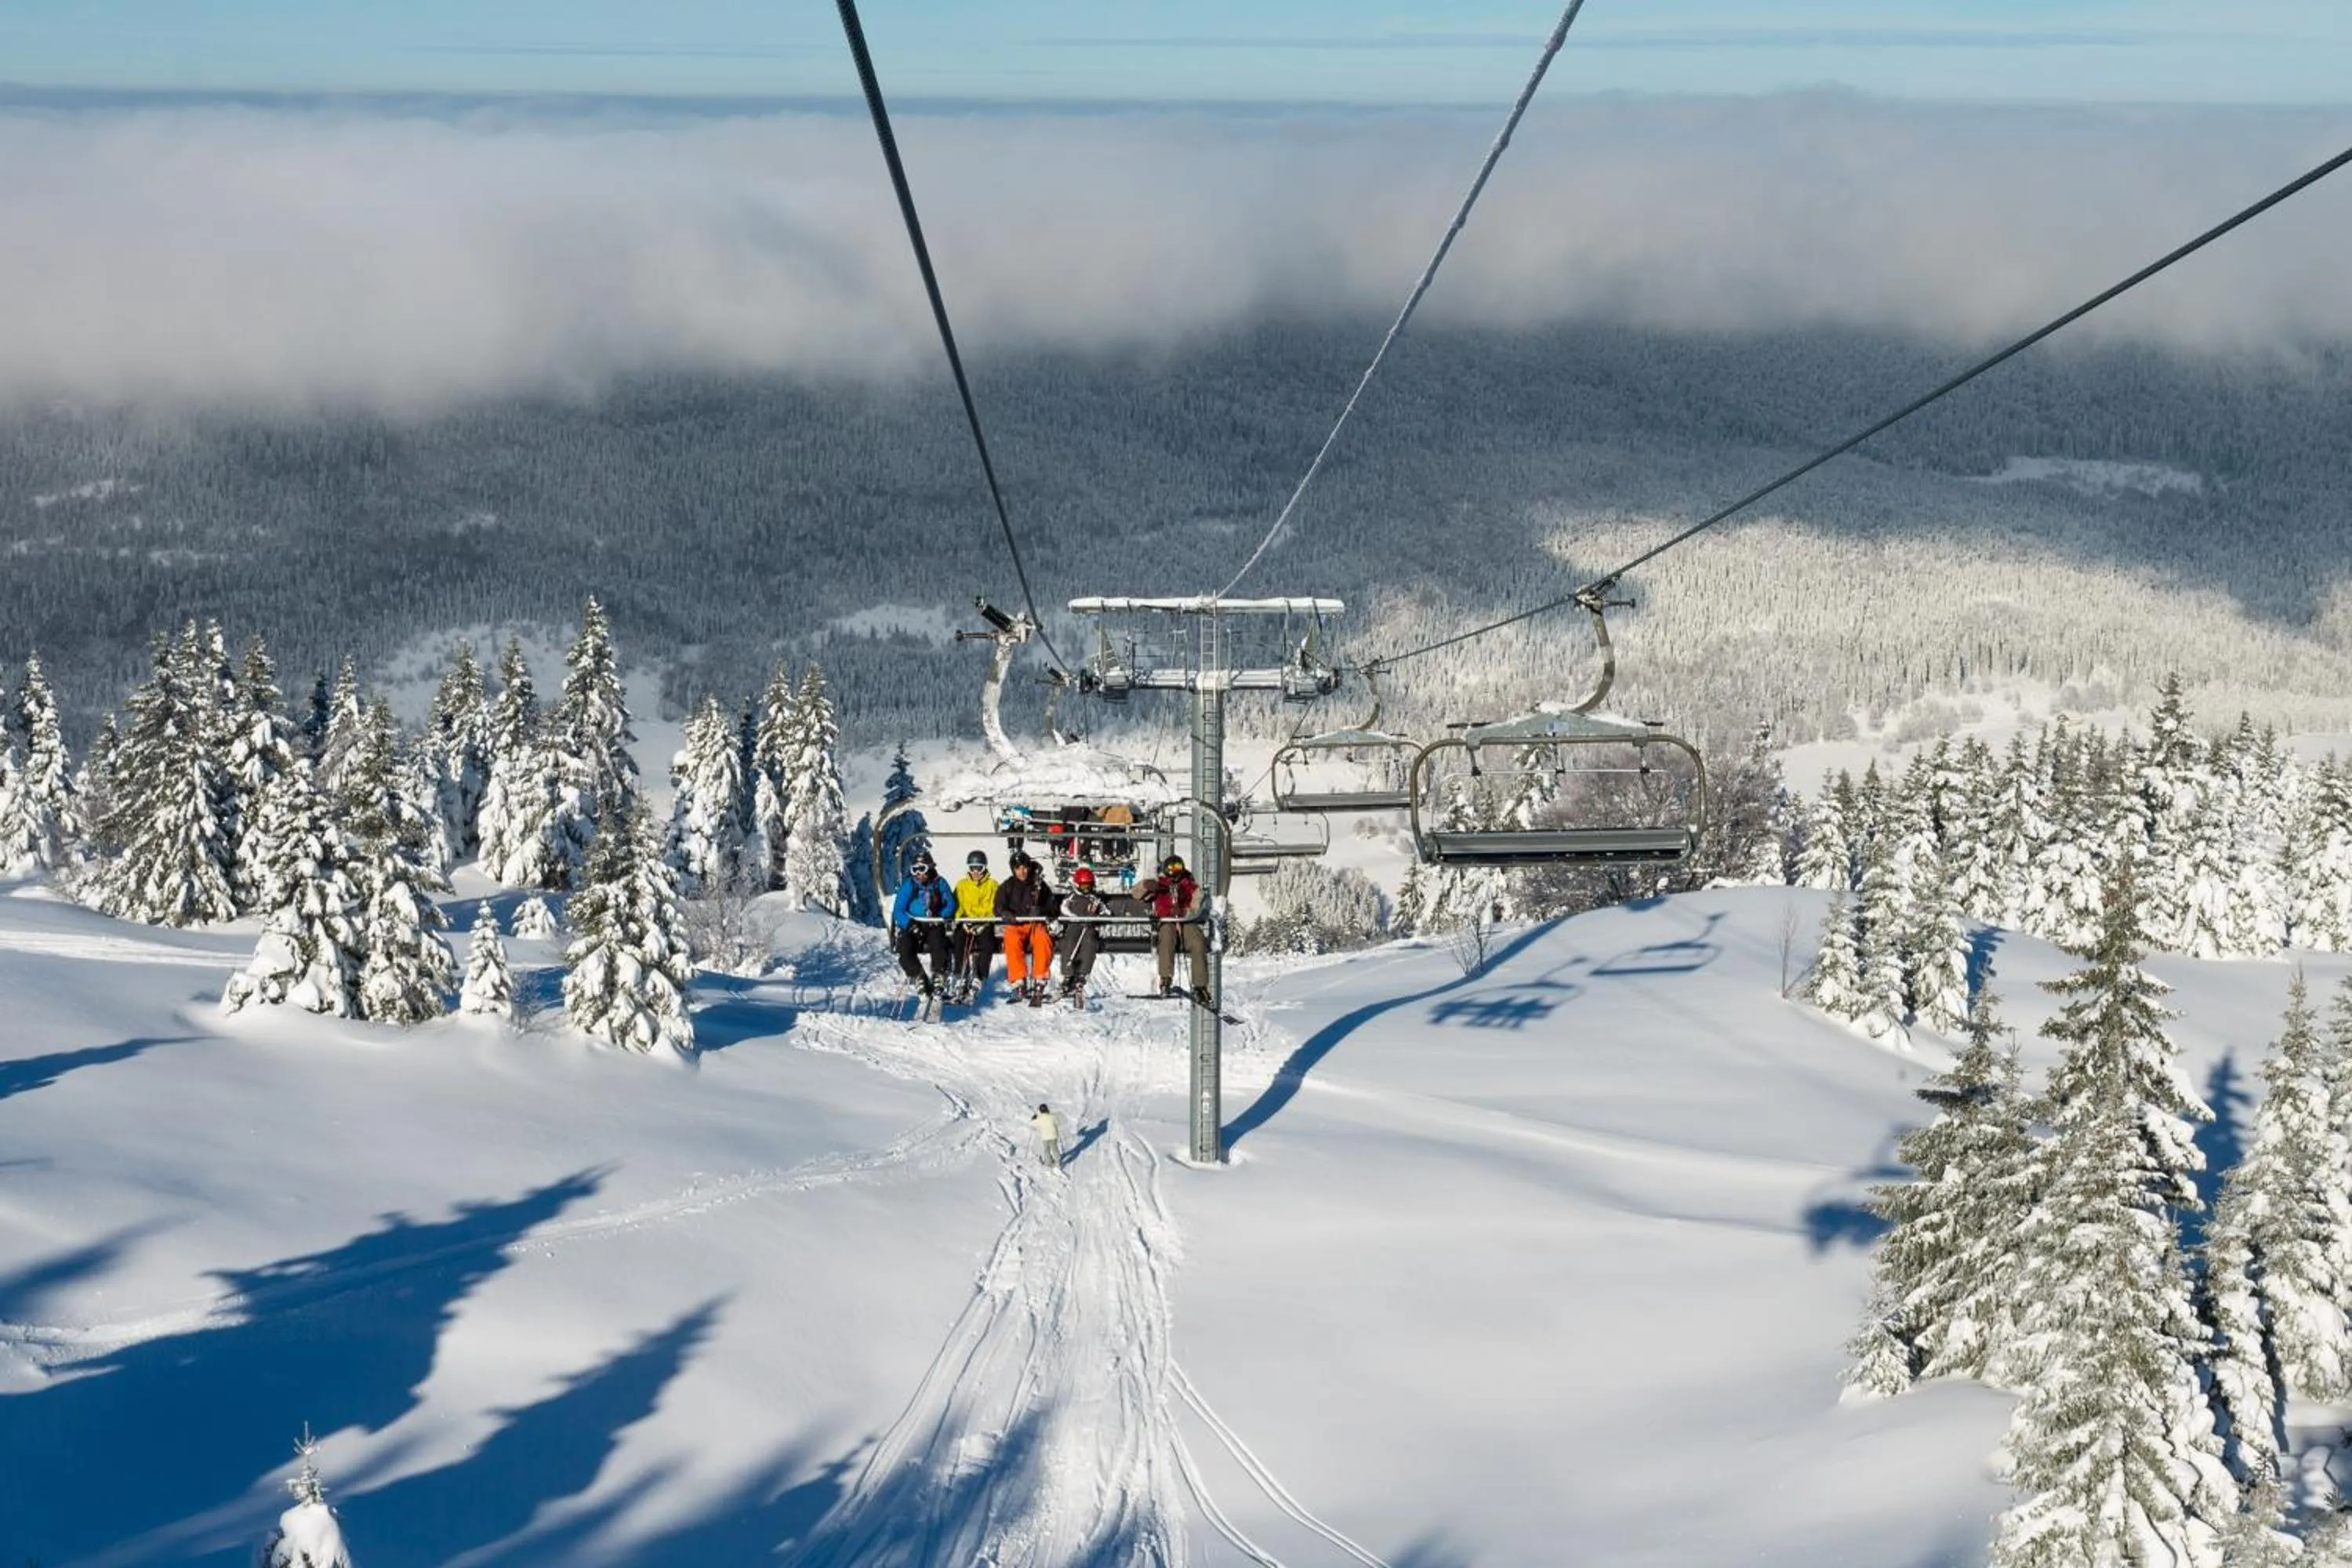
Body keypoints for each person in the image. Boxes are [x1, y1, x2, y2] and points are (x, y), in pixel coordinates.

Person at [1138, 853, 1209, 1003]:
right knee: (1167, 938)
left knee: (1197, 942)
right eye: (1171, 867)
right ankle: (1165, 979)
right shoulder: (1159, 883)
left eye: (1178, 867)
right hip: (1166, 921)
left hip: (1186, 921)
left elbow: (1197, 903)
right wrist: (1146, 886)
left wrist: (1185, 911)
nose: (1175, 871)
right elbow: (1136, 893)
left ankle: (1200, 986)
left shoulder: (1189, 884)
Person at [994, 851, 1058, 1006]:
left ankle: (1040, 979)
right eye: (1018, 869)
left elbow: (1052, 906)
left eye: (1024, 868)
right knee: (1011, 938)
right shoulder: (1008, 885)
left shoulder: (1039, 885)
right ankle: (1018, 982)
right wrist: (1005, 913)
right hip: (1017, 924)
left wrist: (1042, 912)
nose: (1022, 872)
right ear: (1013, 870)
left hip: (1035, 923)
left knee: (1043, 938)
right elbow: (998, 906)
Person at [888, 851, 953, 1000]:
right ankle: (919, 977)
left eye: (922, 869)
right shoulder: (909, 885)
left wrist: (942, 916)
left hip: (933, 922)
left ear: (929, 868)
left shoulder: (939, 883)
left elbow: (950, 903)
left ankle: (939, 975)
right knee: (904, 948)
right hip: (914, 923)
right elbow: (898, 910)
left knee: (938, 943)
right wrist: (909, 924)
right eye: (915, 870)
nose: (919, 874)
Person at [950, 851, 998, 1003]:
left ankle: (979, 976)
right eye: (973, 868)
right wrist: (962, 921)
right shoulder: (962, 885)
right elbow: (956, 905)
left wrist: (984, 922)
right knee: (959, 940)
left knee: (987, 943)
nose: (976, 872)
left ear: (985, 868)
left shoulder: (992, 885)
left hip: (984, 923)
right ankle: (961, 975)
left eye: (980, 868)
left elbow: (995, 907)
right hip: (967, 922)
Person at [1056, 864, 1110, 1001]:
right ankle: (1068, 975)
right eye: (1084, 886)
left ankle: (1082, 975)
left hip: (1089, 928)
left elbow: (1107, 913)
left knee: (1090, 942)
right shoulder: (1072, 897)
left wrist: (1096, 918)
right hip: (1074, 926)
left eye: (1089, 886)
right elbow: (1064, 909)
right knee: (1069, 942)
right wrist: (1075, 918)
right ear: (1077, 885)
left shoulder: (1095, 900)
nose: (1086, 890)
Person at [1032, 1102, 1062, 1170]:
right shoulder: (1052, 1117)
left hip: (1045, 1137)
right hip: (1053, 1135)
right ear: (1047, 1109)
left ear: (1040, 1110)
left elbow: (1032, 1124)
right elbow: (1058, 1123)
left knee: (1047, 1150)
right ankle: (1058, 1162)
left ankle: (1048, 1163)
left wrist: (1034, 1118)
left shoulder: (1039, 1119)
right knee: (1054, 1149)